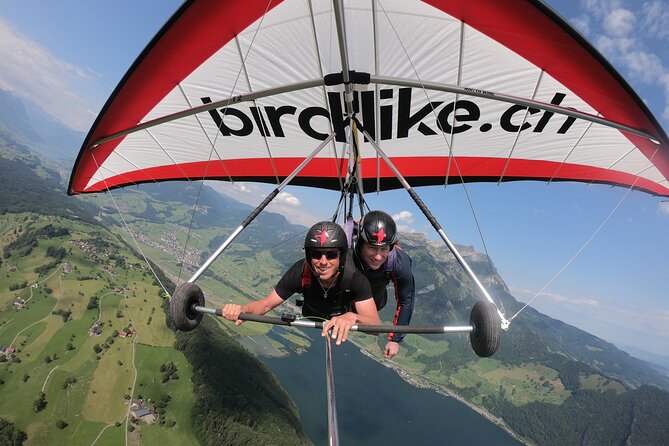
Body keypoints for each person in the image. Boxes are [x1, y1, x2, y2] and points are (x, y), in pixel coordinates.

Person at [222, 221, 381, 345]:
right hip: (311, 313)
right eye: (316, 254)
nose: (323, 261)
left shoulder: (354, 278)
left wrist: (352, 317)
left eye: (331, 254)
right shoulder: (300, 272)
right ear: (309, 256)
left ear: (342, 257)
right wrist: (242, 310)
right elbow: (266, 304)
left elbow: (375, 326)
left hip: (341, 315)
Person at [352, 210, 415, 359]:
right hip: (345, 297)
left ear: (391, 247)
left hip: (375, 301)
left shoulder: (398, 262)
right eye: (372, 247)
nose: (378, 256)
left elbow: (407, 300)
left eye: (384, 249)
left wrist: (395, 340)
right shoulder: (347, 250)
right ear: (361, 244)